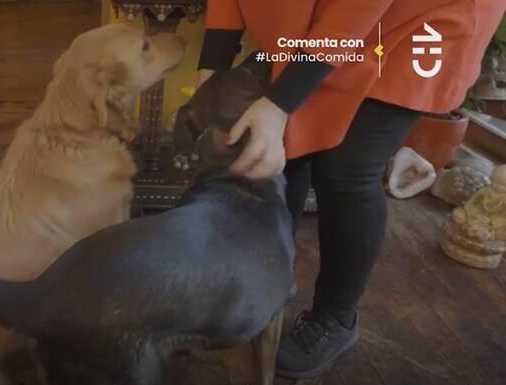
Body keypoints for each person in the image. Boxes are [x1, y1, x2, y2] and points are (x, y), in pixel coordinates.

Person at [196, 0, 506, 379]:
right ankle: (272, 272)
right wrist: (212, 72)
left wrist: (279, 104)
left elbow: (358, 10)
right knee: (284, 144)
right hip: (335, 18)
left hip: (420, 19)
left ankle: (336, 321)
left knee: (347, 169)